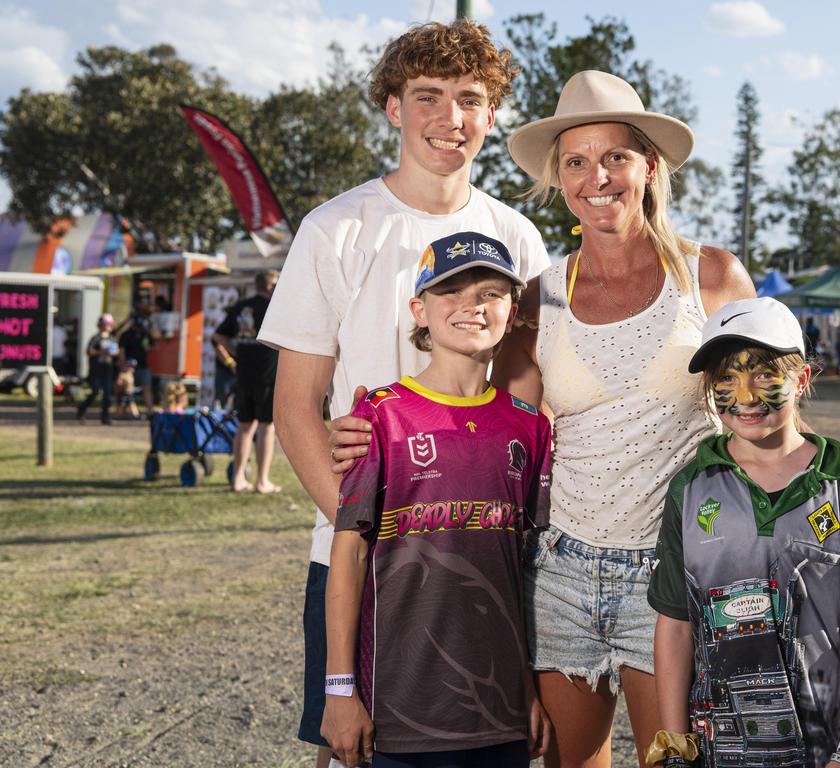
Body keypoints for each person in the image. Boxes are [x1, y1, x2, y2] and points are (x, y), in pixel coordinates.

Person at [331, 71, 840, 768]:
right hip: (562, 574)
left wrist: (836, 484)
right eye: (575, 162)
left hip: (682, 575)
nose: (596, 177)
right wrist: (378, 430)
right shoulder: (541, 298)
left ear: (649, 166)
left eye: (615, 158)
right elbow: (491, 422)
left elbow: (764, 402)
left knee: (685, 761)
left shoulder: (711, 277)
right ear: (559, 180)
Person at [255, 20, 550, 768]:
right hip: (361, 554)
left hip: (479, 554)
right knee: (351, 748)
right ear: (393, 107)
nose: (451, 119)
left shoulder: (516, 238)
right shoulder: (336, 229)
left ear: (491, 115)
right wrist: (361, 535)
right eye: (428, 97)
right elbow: (296, 407)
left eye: (470, 100)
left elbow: (524, 401)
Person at [322, 233, 552, 768]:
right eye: (452, 290)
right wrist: (339, 690)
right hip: (400, 708)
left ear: (512, 313)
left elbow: (520, 574)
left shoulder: (529, 426)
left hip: (500, 712)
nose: (472, 305)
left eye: (491, 293)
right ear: (419, 310)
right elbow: (349, 556)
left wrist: (528, 689)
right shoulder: (380, 417)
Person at [647, 297, 840, 768]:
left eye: (765, 374)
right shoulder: (690, 488)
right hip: (718, 750)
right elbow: (675, 625)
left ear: (802, 379)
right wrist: (675, 742)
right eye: (726, 378)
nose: (744, 396)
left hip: (822, 747)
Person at [213, 270, 280, 494]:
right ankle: (262, 480)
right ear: (270, 286)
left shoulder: (241, 306)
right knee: (266, 426)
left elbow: (219, 336)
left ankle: (238, 478)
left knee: (244, 426)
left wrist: (236, 355)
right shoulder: (274, 307)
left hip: (243, 373)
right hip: (267, 373)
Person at [76, 313, 119, 424]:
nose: (109, 326)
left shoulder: (112, 338)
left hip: (108, 369)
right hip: (96, 370)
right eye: (107, 324)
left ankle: (105, 417)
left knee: (107, 394)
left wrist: (114, 353)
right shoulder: (96, 338)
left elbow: (116, 351)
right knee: (95, 392)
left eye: (110, 324)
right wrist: (101, 352)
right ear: (101, 325)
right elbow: (89, 351)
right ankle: (81, 409)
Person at [118, 313, 155, 415]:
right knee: (127, 390)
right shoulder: (125, 335)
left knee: (146, 387)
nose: (138, 329)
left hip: (143, 366)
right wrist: (123, 366)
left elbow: (152, 346)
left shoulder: (145, 334)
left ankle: (150, 411)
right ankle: (126, 412)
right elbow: (121, 351)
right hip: (129, 368)